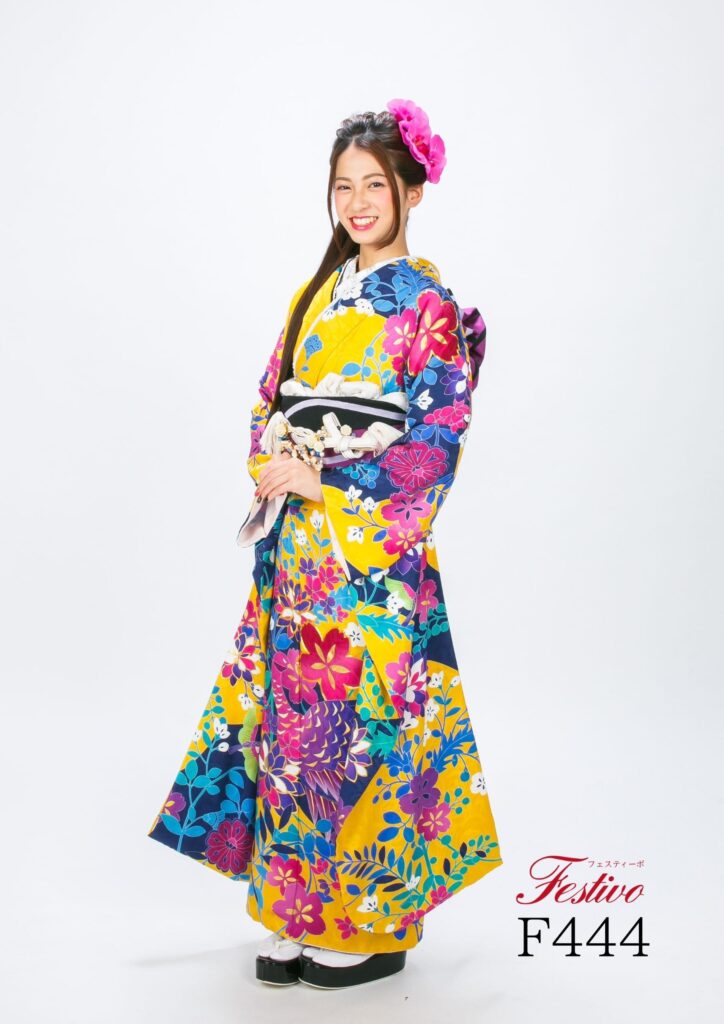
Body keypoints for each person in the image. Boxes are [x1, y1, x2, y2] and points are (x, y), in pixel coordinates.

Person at [147, 97, 503, 990]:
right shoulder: (314, 295)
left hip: (370, 561)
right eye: (343, 186)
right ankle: (291, 910)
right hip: (300, 558)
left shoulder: (426, 305)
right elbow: (270, 399)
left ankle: (373, 926)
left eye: (374, 185)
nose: (357, 202)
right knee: (291, 734)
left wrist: (331, 485)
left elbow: (437, 437)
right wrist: (276, 463)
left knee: (363, 733)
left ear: (412, 192)